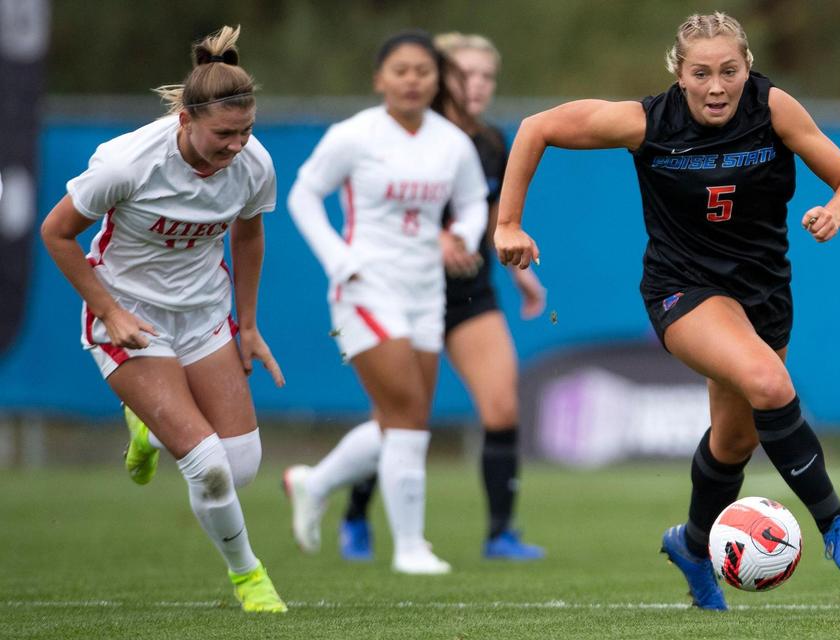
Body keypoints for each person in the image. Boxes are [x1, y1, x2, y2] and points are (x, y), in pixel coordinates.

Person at [494, 12, 840, 609]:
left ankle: (693, 546)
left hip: (765, 295)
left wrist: (837, 210)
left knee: (733, 443)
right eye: (701, 73)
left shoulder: (774, 108)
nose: (717, 86)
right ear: (679, 74)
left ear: (748, 67)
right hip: (684, 290)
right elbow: (535, 127)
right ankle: (837, 526)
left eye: (730, 70)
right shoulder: (646, 121)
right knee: (769, 382)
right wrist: (509, 222)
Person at [39, 26, 287, 613]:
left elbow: (249, 234)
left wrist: (247, 324)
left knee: (241, 467)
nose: (236, 146)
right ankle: (248, 575)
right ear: (186, 120)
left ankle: (148, 425)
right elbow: (56, 234)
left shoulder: (253, 164)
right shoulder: (126, 163)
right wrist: (109, 311)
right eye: (224, 134)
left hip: (203, 315)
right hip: (130, 316)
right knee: (208, 468)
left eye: (246, 131)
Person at [336, 32, 547, 564]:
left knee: (501, 405)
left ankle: (501, 533)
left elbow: (496, 214)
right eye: (463, 75)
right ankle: (355, 513)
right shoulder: (402, 138)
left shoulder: (492, 142)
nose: (475, 86)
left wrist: (520, 271)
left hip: (470, 291)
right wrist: (432, 238)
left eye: (486, 76)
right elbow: (380, 209)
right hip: (399, 292)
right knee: (401, 419)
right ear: (438, 78)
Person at [283, 30, 488, 576]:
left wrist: (462, 236)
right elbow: (302, 194)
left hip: (426, 291)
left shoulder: (451, 141)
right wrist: (337, 258)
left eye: (423, 70)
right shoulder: (354, 136)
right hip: (366, 286)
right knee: (408, 418)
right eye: (401, 69)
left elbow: (472, 204)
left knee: (400, 417)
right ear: (380, 78)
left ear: (437, 80)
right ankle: (411, 548)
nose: (413, 79)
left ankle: (315, 482)